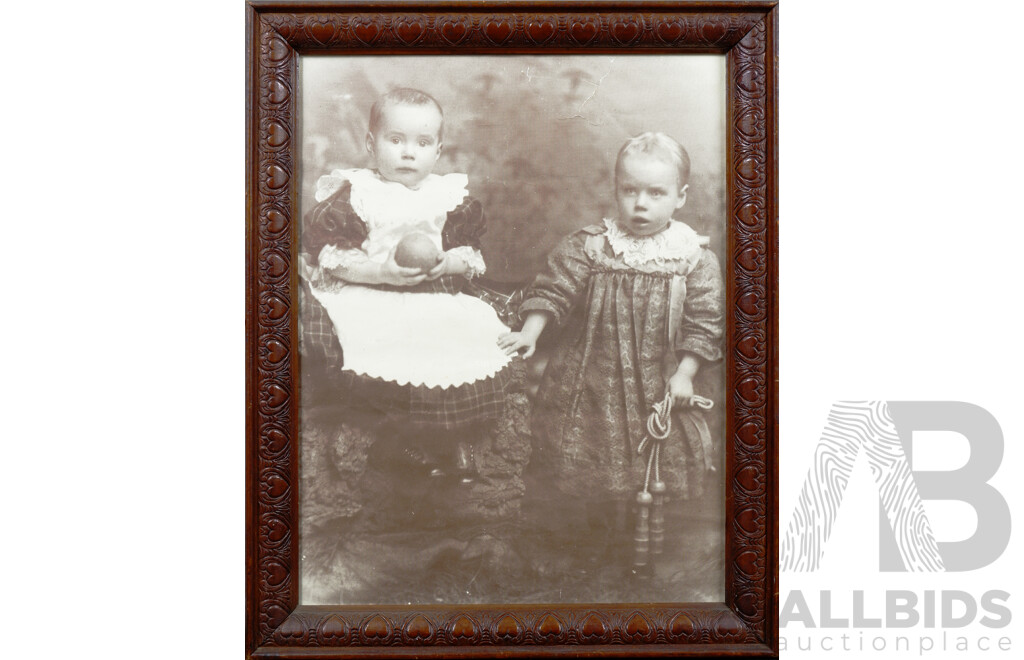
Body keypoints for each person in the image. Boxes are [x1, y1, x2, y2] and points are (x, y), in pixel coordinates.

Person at [499, 132, 725, 550]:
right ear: (616, 190)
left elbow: (705, 320)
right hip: (593, 375)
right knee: (591, 445)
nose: (641, 203)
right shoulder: (592, 246)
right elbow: (554, 288)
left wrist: (686, 373)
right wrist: (530, 332)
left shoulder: (693, 258)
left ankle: (637, 539)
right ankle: (592, 536)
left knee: (653, 453)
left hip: (661, 374)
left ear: (680, 196)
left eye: (656, 193)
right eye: (630, 190)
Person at [301, 87, 513, 481]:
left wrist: (446, 262)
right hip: (371, 291)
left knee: (460, 336)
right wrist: (381, 273)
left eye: (422, 142)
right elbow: (333, 256)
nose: (408, 153)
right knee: (383, 343)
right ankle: (399, 441)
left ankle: (453, 440)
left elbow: (470, 256)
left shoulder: (446, 196)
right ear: (370, 143)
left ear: (438, 150)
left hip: (429, 292)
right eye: (395, 140)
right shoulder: (358, 195)